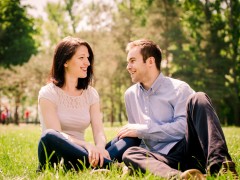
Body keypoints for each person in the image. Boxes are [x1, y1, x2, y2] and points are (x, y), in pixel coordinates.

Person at [117, 39, 238, 179]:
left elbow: (182, 128)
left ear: (150, 61)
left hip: (187, 149)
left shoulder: (179, 88)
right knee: (131, 153)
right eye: (128, 62)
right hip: (161, 159)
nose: (128, 66)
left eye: (132, 61)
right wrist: (130, 162)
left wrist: (143, 130)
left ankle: (221, 165)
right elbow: (138, 139)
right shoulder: (130, 95)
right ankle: (182, 177)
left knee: (199, 97)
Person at [37, 36, 140, 172]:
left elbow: (98, 131)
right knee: (49, 135)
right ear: (65, 61)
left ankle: (97, 166)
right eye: (81, 58)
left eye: (88, 58)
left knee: (131, 137)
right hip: (58, 156)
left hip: (85, 155)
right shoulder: (48, 93)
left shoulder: (91, 93)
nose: (87, 63)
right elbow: (58, 134)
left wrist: (100, 148)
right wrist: (87, 146)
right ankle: (113, 167)